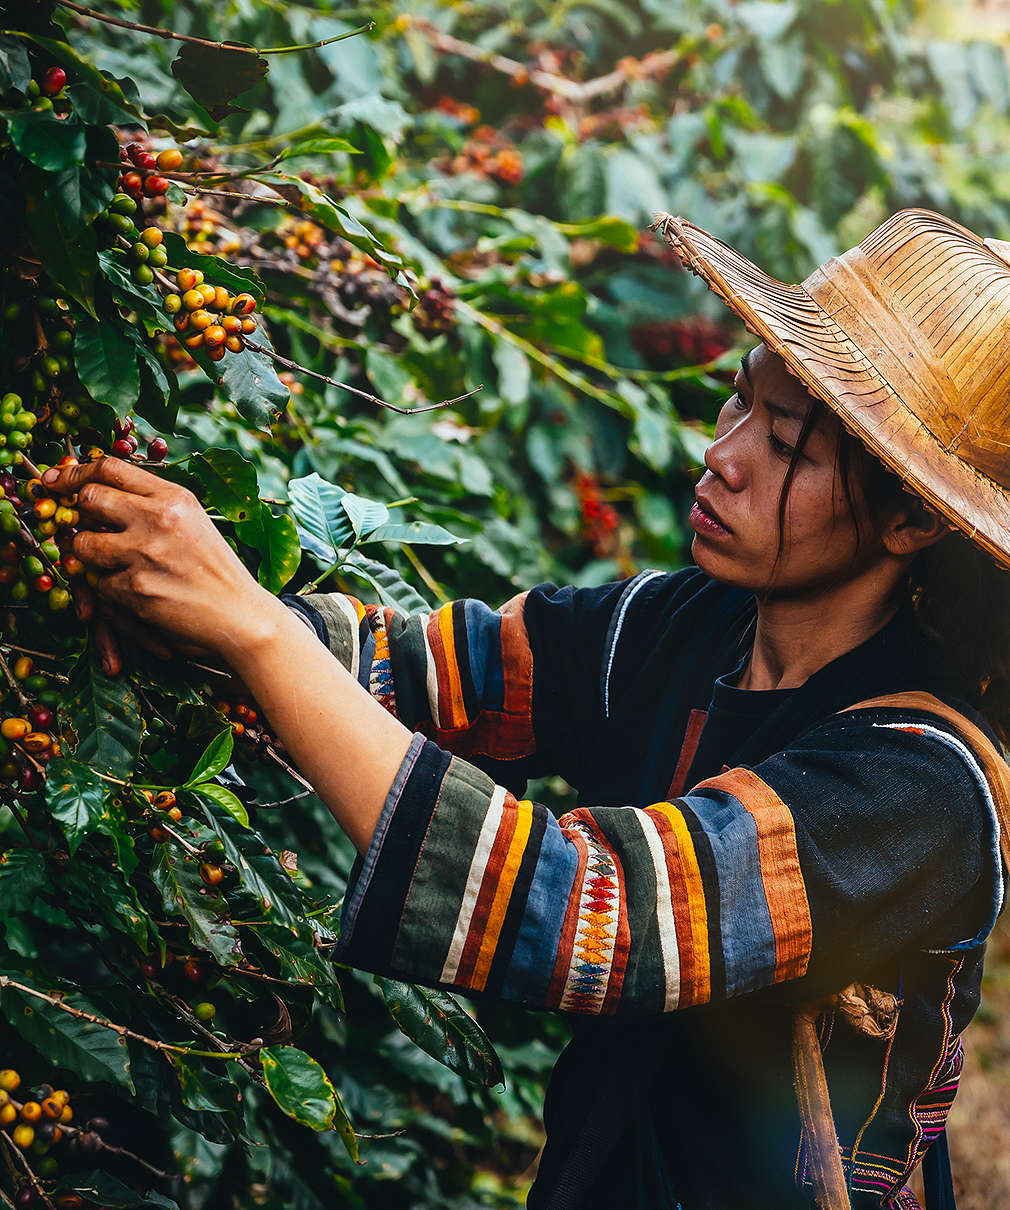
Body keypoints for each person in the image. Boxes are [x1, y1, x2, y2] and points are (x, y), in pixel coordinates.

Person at [41, 207, 1010, 1210]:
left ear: (910, 517)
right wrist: (184, 601)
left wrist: (255, 631)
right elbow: (422, 671)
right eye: (736, 404)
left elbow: (598, 915)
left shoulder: (924, 783)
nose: (721, 456)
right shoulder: (686, 624)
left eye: (785, 447)